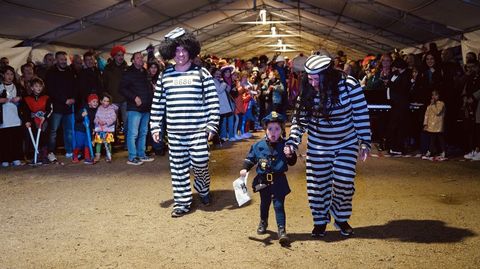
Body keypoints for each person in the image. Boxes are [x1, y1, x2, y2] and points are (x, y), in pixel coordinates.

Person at [286, 54, 371, 237]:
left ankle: (339, 216)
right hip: (318, 145)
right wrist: (293, 141)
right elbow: (300, 120)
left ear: (328, 76)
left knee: (344, 181)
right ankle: (320, 220)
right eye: (310, 78)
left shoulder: (349, 86)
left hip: (346, 142)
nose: (313, 83)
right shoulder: (308, 89)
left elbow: (360, 113)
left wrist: (364, 141)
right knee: (317, 186)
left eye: (316, 79)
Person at [150, 27, 220, 217]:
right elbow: (158, 105)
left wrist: (212, 125)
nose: (180, 54)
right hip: (174, 133)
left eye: (184, 50)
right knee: (178, 168)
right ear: (171, 53)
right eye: (177, 51)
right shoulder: (165, 76)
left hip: (197, 131)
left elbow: (213, 101)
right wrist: (155, 126)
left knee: (200, 162)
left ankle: (203, 188)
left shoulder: (201, 74)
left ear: (191, 51)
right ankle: (182, 202)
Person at [239, 111, 297, 245]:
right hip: (263, 181)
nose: (273, 132)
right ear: (265, 130)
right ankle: (263, 222)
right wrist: (244, 168)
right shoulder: (258, 146)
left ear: (282, 130)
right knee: (264, 203)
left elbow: (292, 162)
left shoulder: (286, 145)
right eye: (270, 129)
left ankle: (282, 230)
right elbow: (250, 159)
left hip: (279, 181)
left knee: (278, 205)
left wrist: (290, 155)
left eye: (277, 129)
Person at [120, 52, 154, 165]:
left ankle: (141, 154)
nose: (141, 59)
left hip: (146, 107)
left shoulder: (144, 72)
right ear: (133, 60)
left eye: (141, 58)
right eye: (138, 58)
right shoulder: (128, 73)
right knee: (133, 133)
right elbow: (122, 89)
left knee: (143, 132)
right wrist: (134, 97)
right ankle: (132, 157)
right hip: (134, 108)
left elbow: (147, 87)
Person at [45, 51, 76, 162]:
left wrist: (73, 98)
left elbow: (74, 86)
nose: (63, 61)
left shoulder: (70, 71)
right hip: (56, 107)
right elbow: (51, 90)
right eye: (61, 59)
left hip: (69, 107)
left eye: (64, 59)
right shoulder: (51, 73)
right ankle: (51, 152)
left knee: (68, 130)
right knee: (53, 131)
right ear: (56, 60)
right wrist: (64, 100)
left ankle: (69, 150)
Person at [23, 78, 52, 164]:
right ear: (32, 88)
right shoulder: (27, 99)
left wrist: (45, 117)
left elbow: (50, 109)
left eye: (40, 86)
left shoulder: (46, 97)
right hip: (33, 122)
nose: (38, 88)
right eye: (36, 86)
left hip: (44, 122)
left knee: (44, 138)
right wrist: (27, 121)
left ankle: (44, 156)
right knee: (34, 138)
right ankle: (36, 156)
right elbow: (25, 111)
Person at [0, 66, 25, 167]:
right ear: (3, 75)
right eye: (7, 74)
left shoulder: (18, 86)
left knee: (16, 139)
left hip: (16, 117)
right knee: (4, 140)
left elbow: (24, 98)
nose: (9, 76)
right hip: (4, 118)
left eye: (11, 74)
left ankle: (16, 157)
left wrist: (19, 98)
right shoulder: (0, 86)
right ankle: (5, 158)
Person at [72, 93, 98, 164]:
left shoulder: (95, 111)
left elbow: (93, 121)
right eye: (94, 101)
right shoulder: (84, 109)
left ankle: (87, 158)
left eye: (96, 102)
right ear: (89, 102)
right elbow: (76, 119)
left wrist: (93, 129)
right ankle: (75, 155)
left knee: (87, 143)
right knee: (80, 144)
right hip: (80, 129)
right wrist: (82, 115)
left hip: (88, 130)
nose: (95, 103)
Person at [422, 90, 446, 161]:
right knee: (432, 139)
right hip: (431, 126)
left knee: (440, 139)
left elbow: (437, 112)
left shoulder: (441, 104)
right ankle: (430, 151)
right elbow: (426, 115)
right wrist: (425, 124)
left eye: (435, 95)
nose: (434, 97)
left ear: (439, 96)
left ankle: (443, 152)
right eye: (432, 95)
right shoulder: (429, 105)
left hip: (438, 125)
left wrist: (432, 105)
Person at [93, 93, 117, 163]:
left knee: (108, 143)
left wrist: (106, 122)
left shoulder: (111, 109)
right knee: (98, 143)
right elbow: (96, 118)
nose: (106, 103)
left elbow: (113, 118)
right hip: (100, 129)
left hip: (108, 129)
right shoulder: (99, 108)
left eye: (107, 101)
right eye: (104, 101)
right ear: (101, 101)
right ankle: (97, 156)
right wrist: (98, 121)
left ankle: (108, 156)